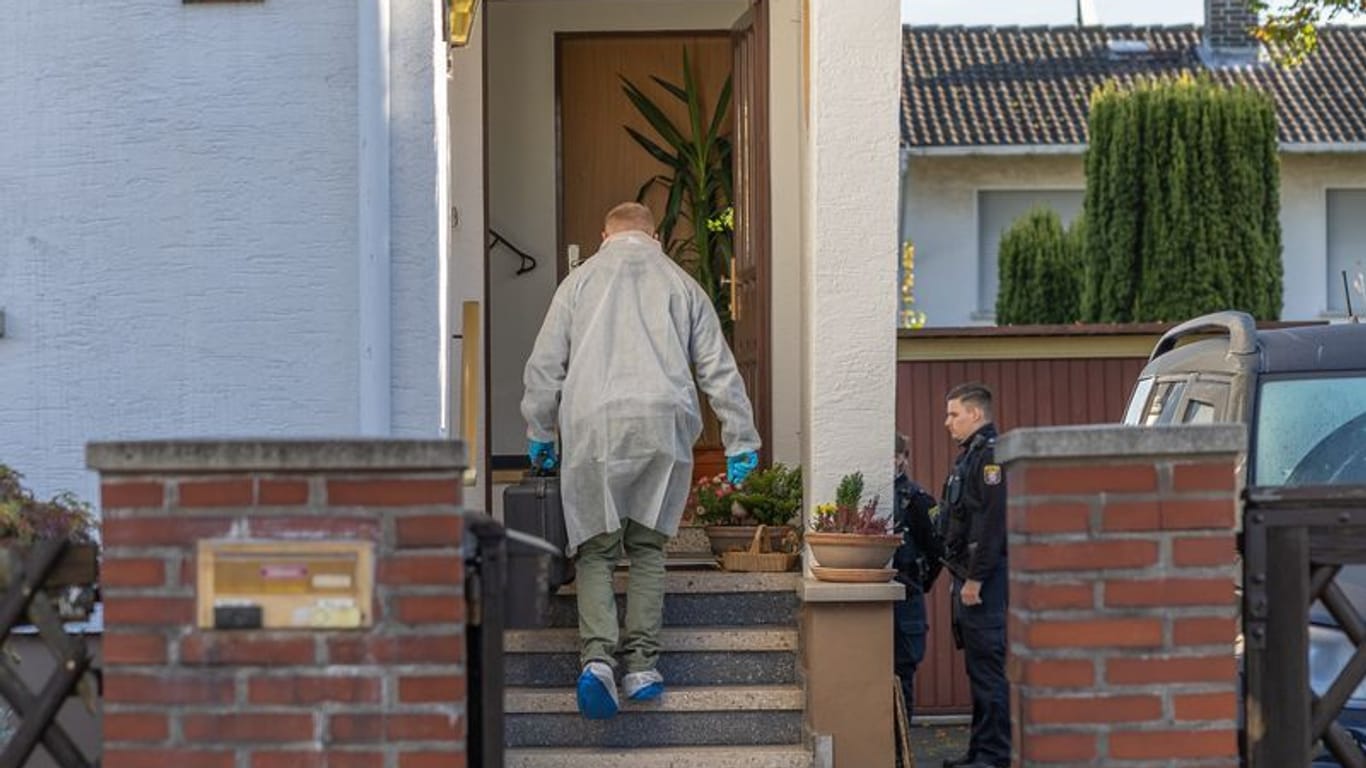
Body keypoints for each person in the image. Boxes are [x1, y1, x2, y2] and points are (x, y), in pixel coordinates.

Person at [521, 201, 761, 721]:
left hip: (593, 425)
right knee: (648, 546)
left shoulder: (577, 284)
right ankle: (643, 666)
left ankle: (599, 662)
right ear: (654, 238)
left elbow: (545, 366)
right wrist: (741, 438)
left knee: (597, 548)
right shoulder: (682, 285)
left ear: (603, 235)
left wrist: (539, 430)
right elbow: (718, 368)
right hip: (662, 422)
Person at [939, 383, 1009, 768]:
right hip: (968, 578)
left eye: (954, 414)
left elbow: (992, 525)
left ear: (976, 414)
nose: (947, 422)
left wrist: (977, 579)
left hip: (984, 583)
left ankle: (995, 756)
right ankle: (980, 751)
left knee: (990, 673)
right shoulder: (971, 456)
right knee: (978, 671)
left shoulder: (990, 457)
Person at [893, 433, 942, 762]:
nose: (891, 461)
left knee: (903, 675)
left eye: (894, 455)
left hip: (907, 599)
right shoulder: (873, 494)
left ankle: (902, 752)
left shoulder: (918, 499)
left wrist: (919, 583)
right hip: (880, 602)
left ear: (903, 458)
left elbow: (938, 550)